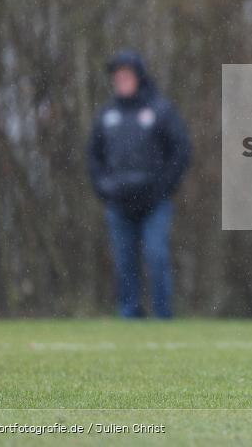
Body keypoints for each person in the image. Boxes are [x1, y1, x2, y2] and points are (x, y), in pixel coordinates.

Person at [88, 51, 191, 319]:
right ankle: (130, 315)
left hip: (155, 203)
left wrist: (163, 186)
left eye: (126, 75)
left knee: (156, 256)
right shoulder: (107, 115)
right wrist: (104, 188)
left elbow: (181, 151)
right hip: (118, 203)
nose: (121, 80)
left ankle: (163, 315)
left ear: (139, 77)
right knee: (124, 262)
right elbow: (93, 157)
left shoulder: (160, 110)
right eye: (117, 76)